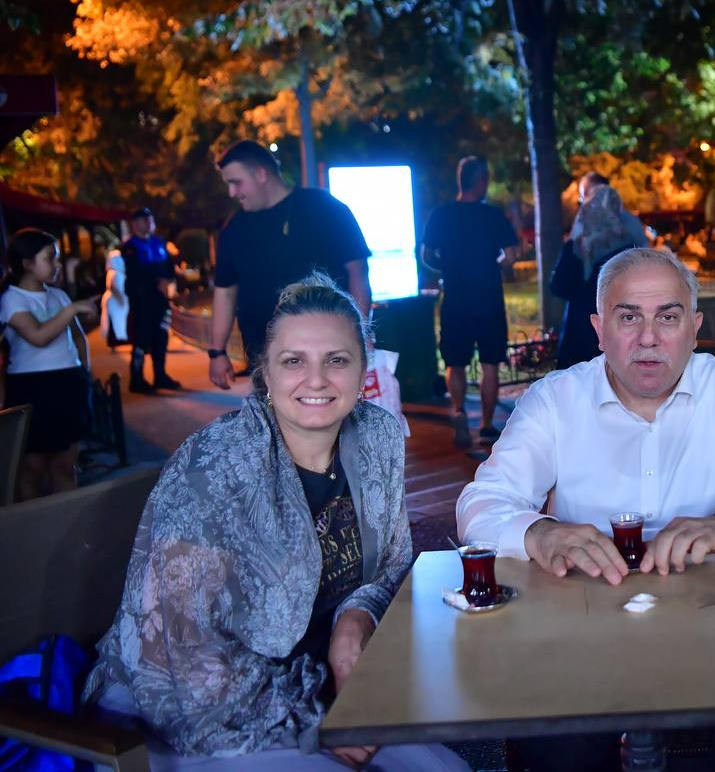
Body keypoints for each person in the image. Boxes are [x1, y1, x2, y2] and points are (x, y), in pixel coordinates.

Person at [83, 273, 466, 771]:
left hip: (318, 680)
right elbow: (189, 666)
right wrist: (317, 716)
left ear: (363, 367)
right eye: (293, 361)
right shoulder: (212, 472)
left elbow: (392, 566)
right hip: (189, 713)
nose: (317, 380)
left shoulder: (379, 437)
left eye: (337, 360)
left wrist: (356, 619)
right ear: (264, 371)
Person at [457, 247, 715, 582]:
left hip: (707, 600)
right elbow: (481, 504)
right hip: (584, 602)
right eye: (629, 317)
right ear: (600, 330)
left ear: (694, 330)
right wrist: (539, 533)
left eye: (668, 317)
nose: (648, 338)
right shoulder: (554, 399)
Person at [210, 140, 372, 388]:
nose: (232, 192)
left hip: (328, 356)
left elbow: (358, 274)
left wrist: (361, 334)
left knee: (330, 412)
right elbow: (225, 293)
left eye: (236, 182)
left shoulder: (325, 209)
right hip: (265, 364)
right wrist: (217, 352)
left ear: (261, 173)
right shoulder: (234, 228)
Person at [420, 156, 518, 447]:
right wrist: (495, 265)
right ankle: (486, 425)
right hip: (488, 297)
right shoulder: (492, 215)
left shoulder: (441, 214)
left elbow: (427, 255)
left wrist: (447, 268)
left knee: (455, 361)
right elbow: (511, 254)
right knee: (490, 363)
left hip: (456, 296)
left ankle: (459, 410)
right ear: (482, 181)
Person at [0, 229, 97, 499]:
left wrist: (85, 372)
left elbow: (77, 337)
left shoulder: (58, 295)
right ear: (27, 263)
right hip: (33, 387)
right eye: (50, 258)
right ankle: (36, 521)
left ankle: (69, 521)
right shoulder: (11, 299)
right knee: (32, 468)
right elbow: (38, 336)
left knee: (65, 465)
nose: (57, 264)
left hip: (69, 382)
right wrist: (72, 309)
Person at [549, 171, 647, 370]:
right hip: (619, 333)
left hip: (579, 333)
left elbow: (558, 287)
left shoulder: (578, 246)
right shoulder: (628, 246)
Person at [120, 207, 181, 393]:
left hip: (160, 299)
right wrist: (157, 280)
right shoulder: (130, 246)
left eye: (150, 219)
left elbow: (169, 266)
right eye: (144, 220)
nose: (149, 223)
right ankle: (137, 379)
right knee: (141, 340)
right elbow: (136, 272)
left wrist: (167, 279)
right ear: (135, 224)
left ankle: (160, 375)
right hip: (142, 301)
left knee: (161, 337)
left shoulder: (159, 242)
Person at [100, 246, 129, 351]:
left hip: (118, 300)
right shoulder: (113, 273)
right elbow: (111, 286)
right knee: (115, 321)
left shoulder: (117, 272)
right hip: (115, 301)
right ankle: (114, 342)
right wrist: (119, 298)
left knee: (119, 321)